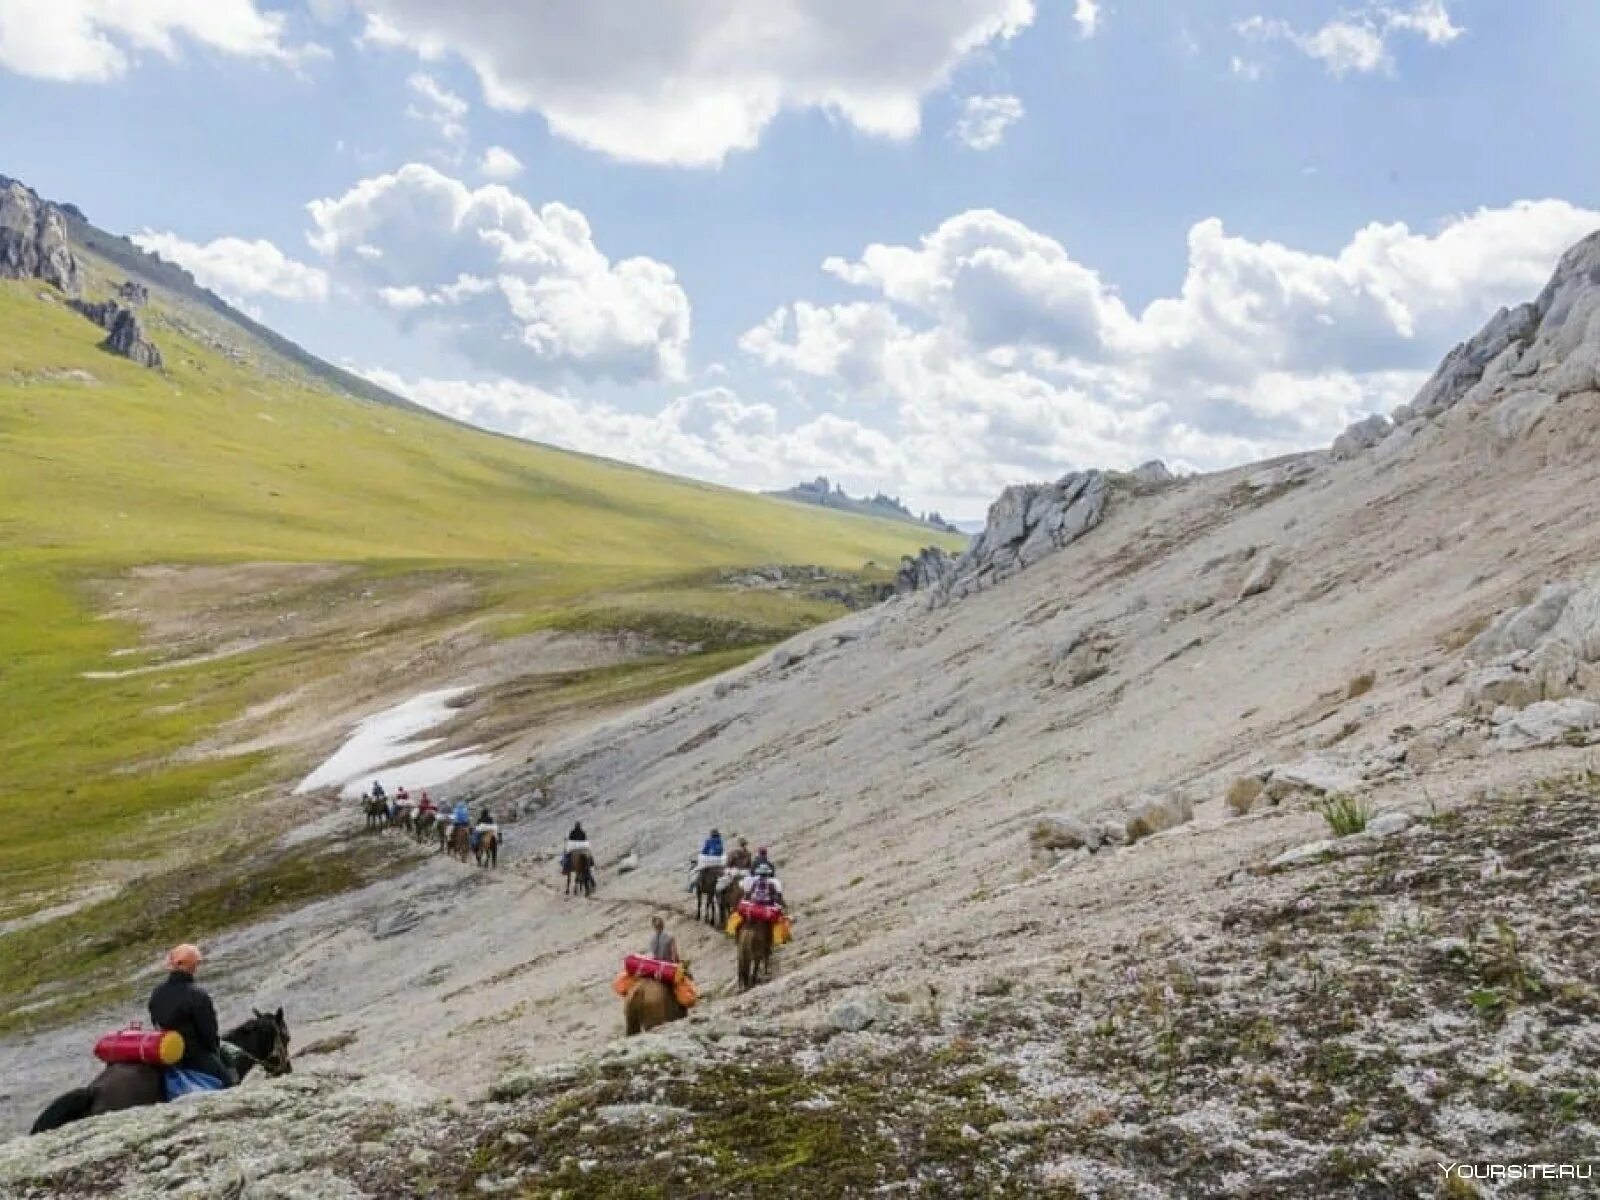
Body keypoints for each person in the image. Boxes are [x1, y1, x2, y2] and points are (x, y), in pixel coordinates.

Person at [149, 944, 236, 1086]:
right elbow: (209, 1034)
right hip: (194, 1055)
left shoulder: (157, 992)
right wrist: (214, 1051)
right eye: (196, 963)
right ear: (190, 965)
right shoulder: (197, 994)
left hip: (167, 1055)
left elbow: (155, 1022)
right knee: (229, 1083)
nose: (197, 966)